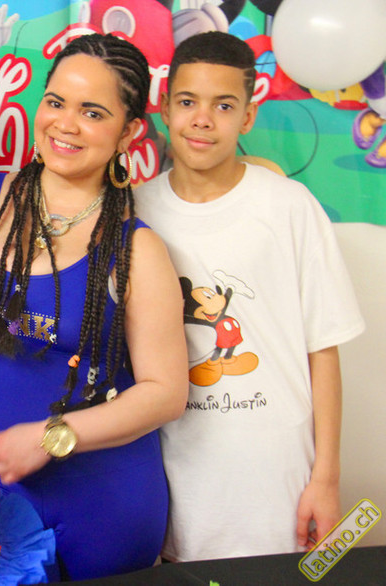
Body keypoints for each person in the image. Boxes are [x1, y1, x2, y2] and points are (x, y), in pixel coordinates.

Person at [0, 33, 189, 580]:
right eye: (56, 102)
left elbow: (166, 393)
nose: (66, 124)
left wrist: (51, 437)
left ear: (129, 132)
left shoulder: (137, 248)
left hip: (102, 505)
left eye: (93, 112)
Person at [134, 31, 366, 562]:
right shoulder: (136, 210)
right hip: (178, 475)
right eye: (188, 102)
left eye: (223, 105)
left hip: (278, 476)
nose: (202, 119)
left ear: (248, 116)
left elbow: (323, 350)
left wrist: (326, 477)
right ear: (164, 108)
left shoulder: (288, 206)